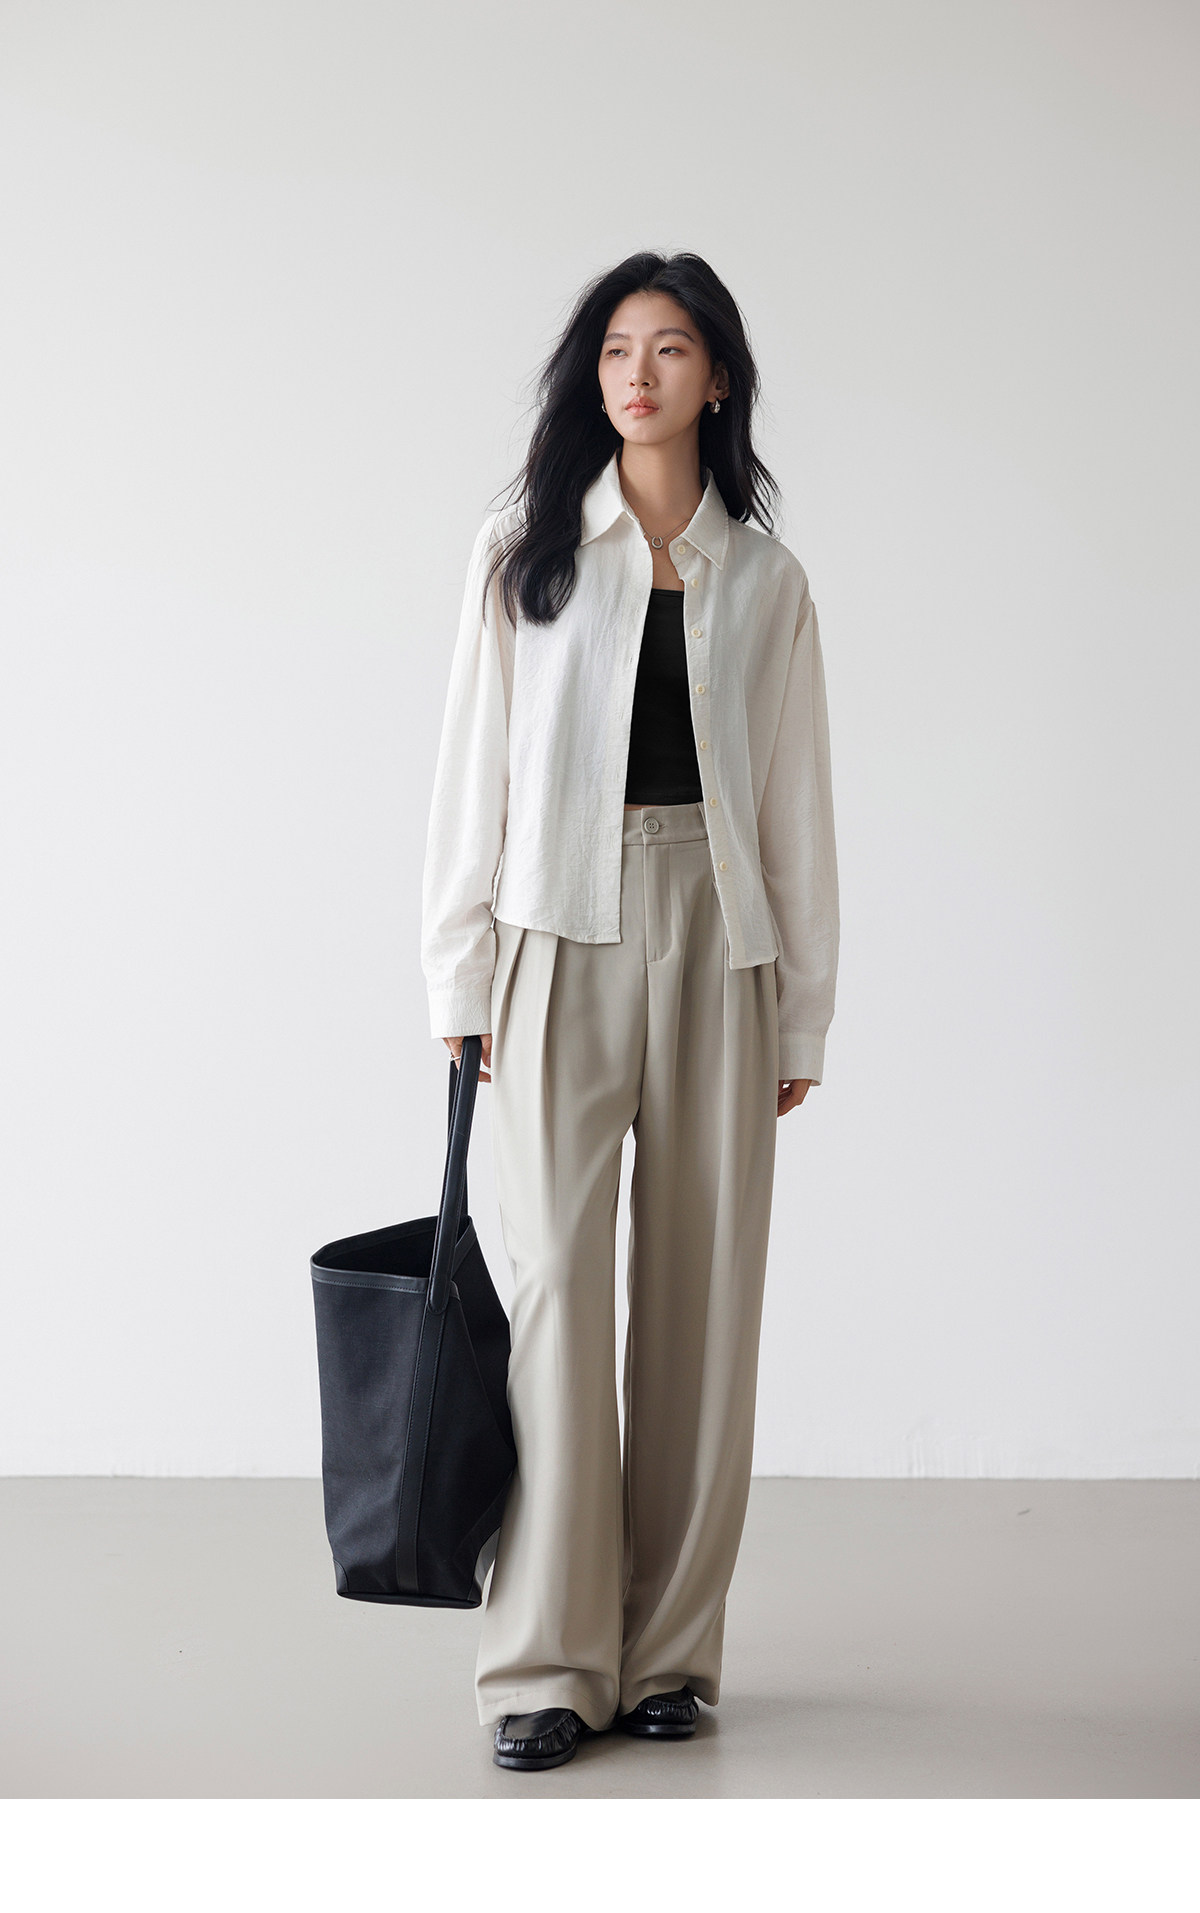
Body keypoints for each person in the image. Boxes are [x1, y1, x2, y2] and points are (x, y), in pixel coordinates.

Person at [420, 250, 839, 1772]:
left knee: (704, 1306)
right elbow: (473, 769)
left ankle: (667, 1654)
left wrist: (801, 1013)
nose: (637, 374)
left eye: (668, 349)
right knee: (554, 1294)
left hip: (722, 940)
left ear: (716, 378)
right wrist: (458, 969)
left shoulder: (767, 581)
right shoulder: (526, 552)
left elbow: (796, 810)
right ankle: (545, 1660)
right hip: (556, 927)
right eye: (614, 349)